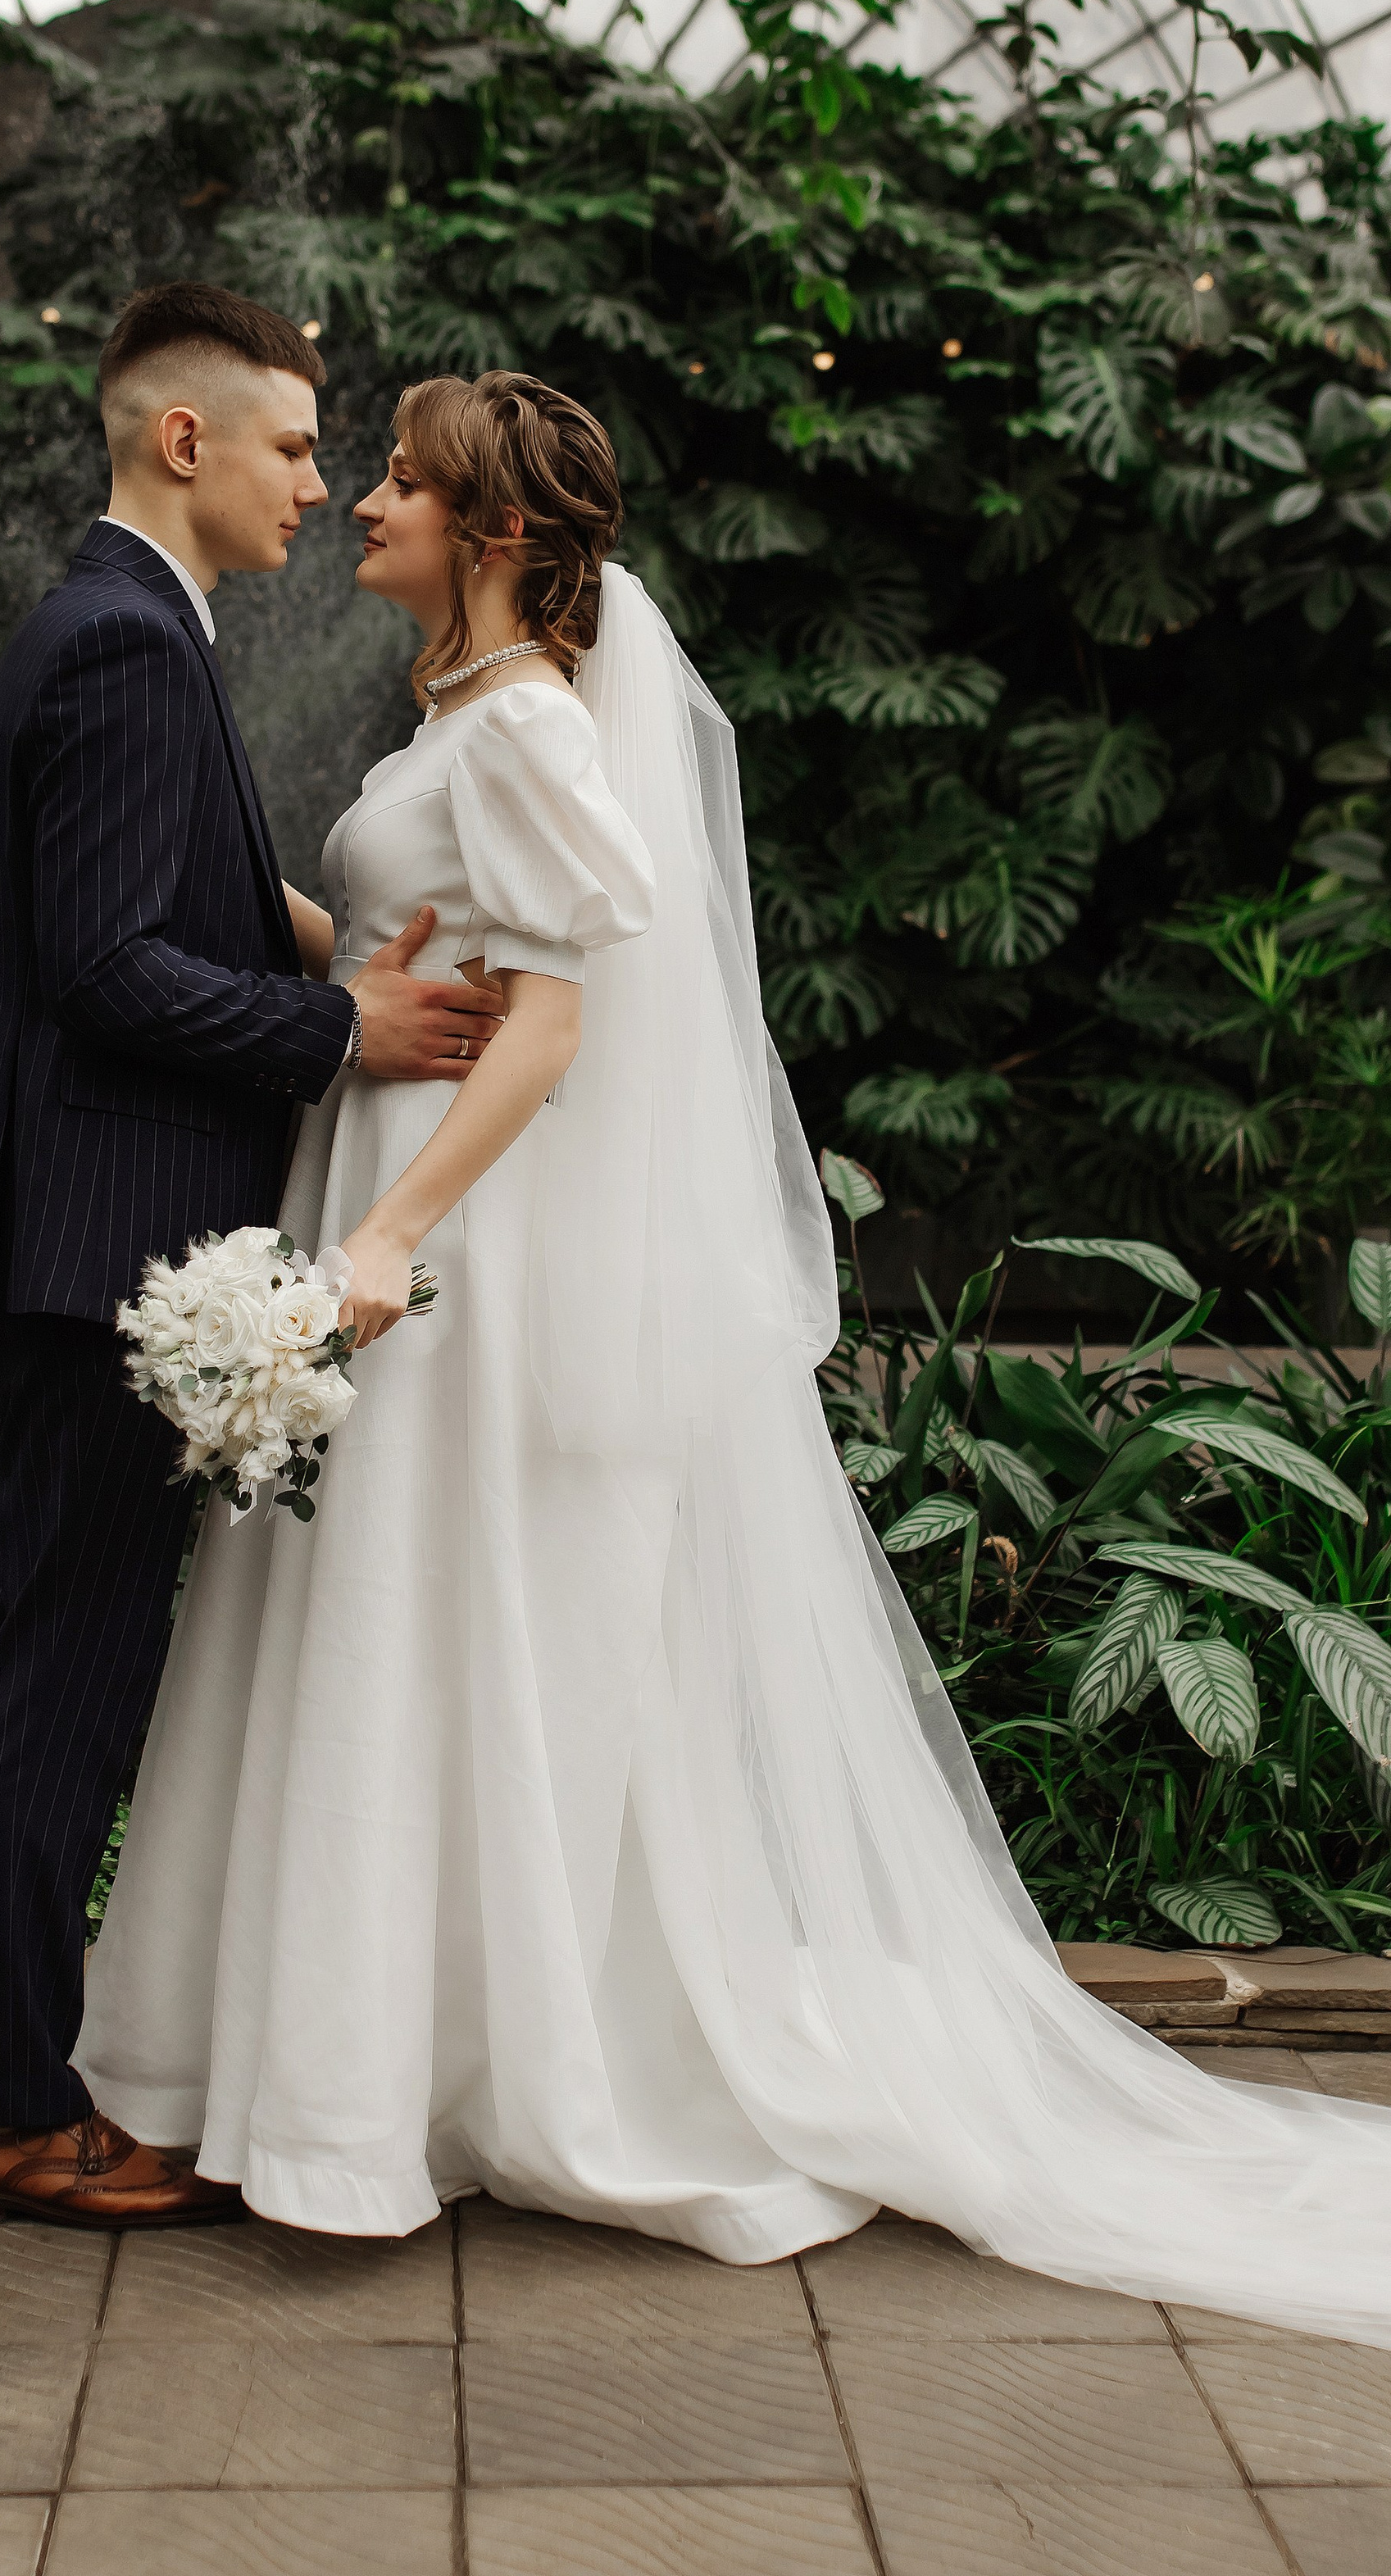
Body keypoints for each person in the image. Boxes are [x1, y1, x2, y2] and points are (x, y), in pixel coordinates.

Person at [75, 365, 1391, 2345]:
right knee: (398, 1629)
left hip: (459, 1248)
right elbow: (419, 941)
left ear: (495, 536)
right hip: (403, 1193)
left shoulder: (522, 722)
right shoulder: (465, 709)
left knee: (446, 1627)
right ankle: (375, 2061)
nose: (363, 504)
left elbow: (547, 1028)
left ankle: (413, 2081)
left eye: (407, 487)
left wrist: (380, 1239)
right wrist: (300, 941)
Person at [0, 284, 507, 2229]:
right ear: (185, 442)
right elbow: (105, 970)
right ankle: (2, 2116)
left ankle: (5, 2082)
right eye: (289, 447)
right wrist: (348, 1035)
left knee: (59, 1668)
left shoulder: (123, 633)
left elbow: (159, 892)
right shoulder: (117, 644)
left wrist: (323, 950)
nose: (316, 483)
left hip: (83, 1233)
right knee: (58, 1682)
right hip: (99, 1243)